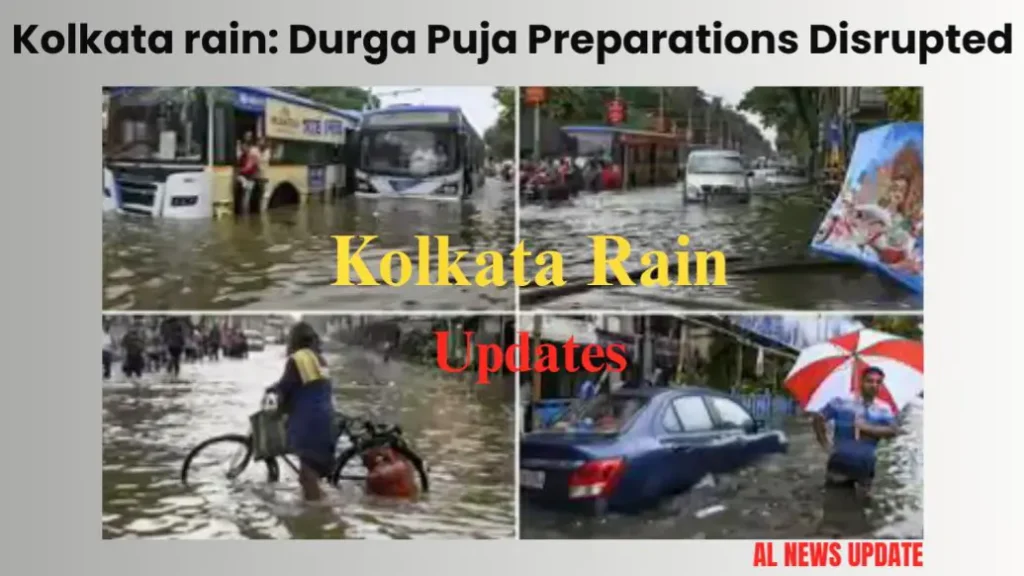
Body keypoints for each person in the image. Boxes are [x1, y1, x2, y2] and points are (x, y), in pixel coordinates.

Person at [266, 322, 337, 501]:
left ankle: (320, 513)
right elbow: (314, 387)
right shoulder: (320, 359)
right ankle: (319, 508)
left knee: (307, 476)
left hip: (309, 421)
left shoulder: (296, 359)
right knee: (309, 473)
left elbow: (285, 387)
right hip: (326, 417)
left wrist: (272, 391)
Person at [812, 366, 900, 495]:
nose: (874, 385)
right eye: (870, 381)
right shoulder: (841, 402)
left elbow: (893, 431)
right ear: (861, 382)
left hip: (866, 465)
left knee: (863, 503)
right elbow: (818, 418)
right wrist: (825, 443)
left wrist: (867, 428)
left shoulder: (883, 409)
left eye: (878, 382)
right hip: (840, 462)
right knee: (833, 502)